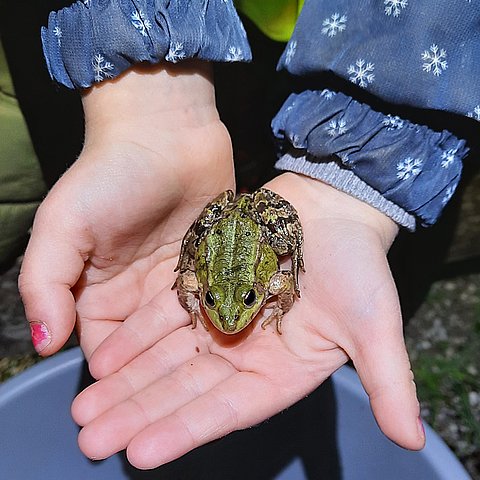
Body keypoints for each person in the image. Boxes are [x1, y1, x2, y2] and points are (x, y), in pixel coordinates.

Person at [18, 0, 478, 471]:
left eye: (241, 303)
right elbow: (200, 276)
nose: (231, 319)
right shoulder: (210, 288)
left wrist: (348, 196)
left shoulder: (263, 285)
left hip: (269, 194)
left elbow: (273, 282)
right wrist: (144, 100)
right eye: (218, 304)